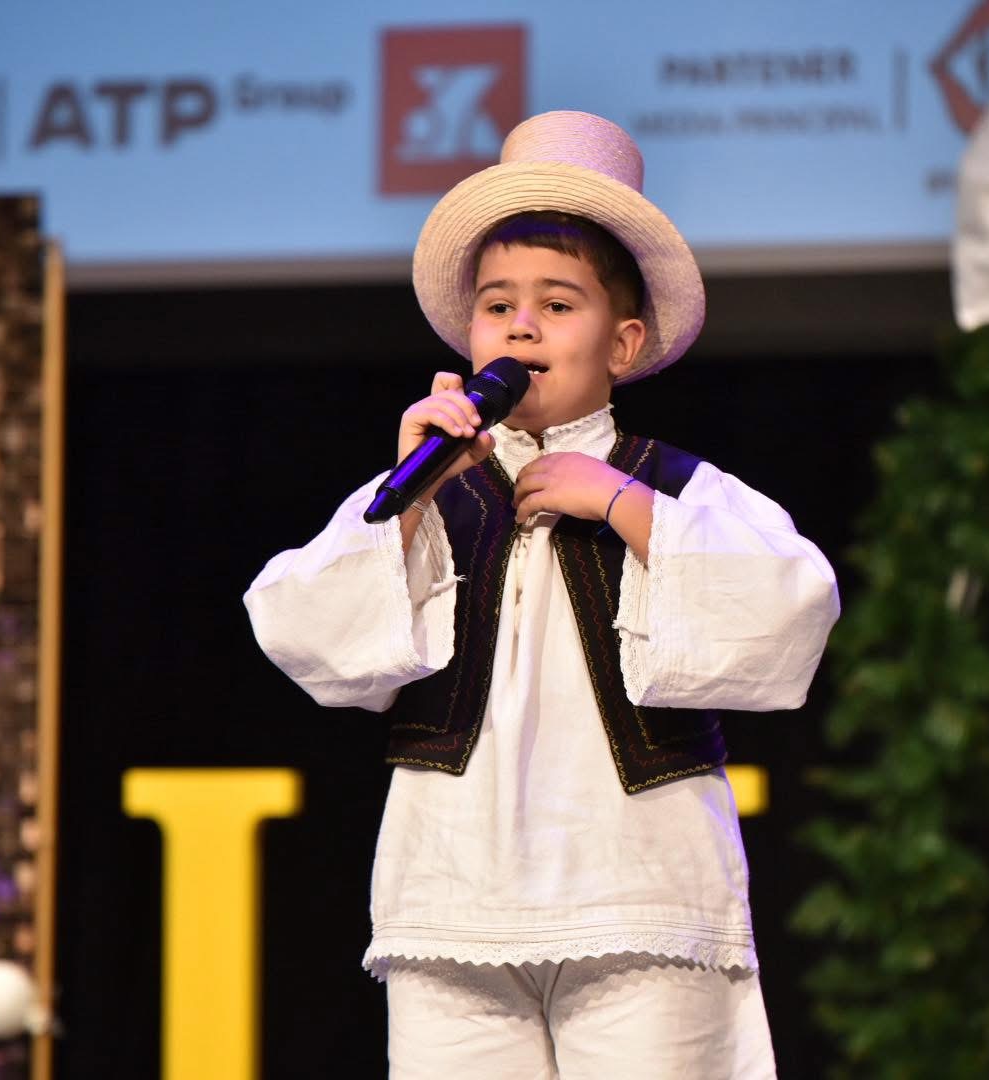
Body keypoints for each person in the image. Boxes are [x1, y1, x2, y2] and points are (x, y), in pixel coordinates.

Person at [244, 110, 839, 1079]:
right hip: (455, 899)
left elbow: (788, 607)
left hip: (638, 898)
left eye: (558, 304)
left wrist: (622, 504)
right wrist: (407, 501)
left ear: (624, 342)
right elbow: (304, 630)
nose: (521, 326)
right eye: (498, 305)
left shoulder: (675, 486)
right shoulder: (426, 486)